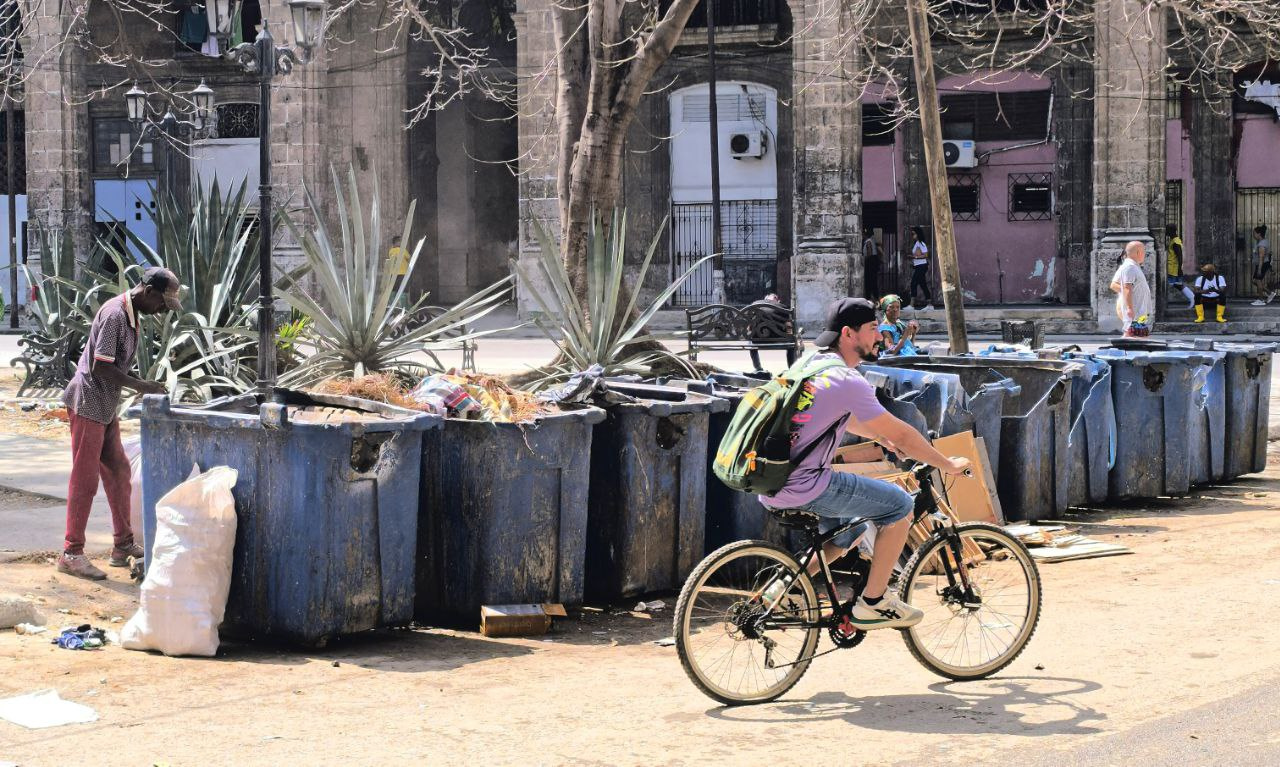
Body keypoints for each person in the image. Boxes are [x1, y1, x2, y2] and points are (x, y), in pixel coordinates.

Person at [758, 297, 970, 630]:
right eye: (872, 328)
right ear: (848, 333)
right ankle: (874, 602)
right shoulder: (847, 379)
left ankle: (782, 587)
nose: (879, 336)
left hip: (773, 481)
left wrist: (881, 437)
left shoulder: (811, 363)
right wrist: (946, 463)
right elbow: (904, 434)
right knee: (899, 505)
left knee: (853, 529)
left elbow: (843, 417)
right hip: (807, 485)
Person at [57, 267, 181, 581]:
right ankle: (71, 553)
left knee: (119, 470)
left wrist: (137, 384)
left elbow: (111, 366)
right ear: (148, 291)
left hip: (104, 404)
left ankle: (123, 544)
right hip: (89, 402)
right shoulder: (115, 314)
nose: (162, 309)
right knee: (85, 480)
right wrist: (141, 386)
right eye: (162, 302)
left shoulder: (130, 314)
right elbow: (101, 367)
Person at [1109, 241, 1154, 337]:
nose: (1145, 254)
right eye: (1144, 251)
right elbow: (1126, 287)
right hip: (1135, 310)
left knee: (1141, 336)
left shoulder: (1133, 266)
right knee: (1134, 336)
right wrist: (1129, 308)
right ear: (1138, 252)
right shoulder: (1129, 267)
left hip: (1140, 310)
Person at [746, 293, 798, 373]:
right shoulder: (783, 307)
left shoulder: (754, 305)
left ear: (765, 299)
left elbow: (749, 326)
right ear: (777, 300)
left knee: (750, 340)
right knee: (791, 342)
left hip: (756, 340)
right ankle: (791, 368)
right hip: (778, 339)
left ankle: (758, 368)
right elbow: (788, 326)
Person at [1165, 224, 1194, 310]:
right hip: (1172, 267)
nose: (1166, 232)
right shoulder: (1173, 240)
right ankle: (1192, 297)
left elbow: (1179, 256)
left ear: (1171, 231)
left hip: (1173, 268)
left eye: (1167, 230)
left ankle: (1192, 297)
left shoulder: (1175, 242)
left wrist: (1179, 268)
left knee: (1175, 284)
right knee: (1177, 284)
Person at [907, 226, 933, 311]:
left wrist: (915, 257)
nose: (912, 235)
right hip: (919, 266)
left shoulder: (921, 243)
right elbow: (918, 255)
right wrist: (914, 262)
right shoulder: (917, 243)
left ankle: (912, 305)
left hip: (922, 266)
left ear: (918, 234)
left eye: (913, 234)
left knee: (913, 283)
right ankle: (929, 304)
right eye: (912, 234)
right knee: (923, 284)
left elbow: (925, 255)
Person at [1250, 225, 1273, 306]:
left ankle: (1261, 300)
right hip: (1261, 264)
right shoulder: (1261, 242)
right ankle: (1270, 293)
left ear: (1259, 234)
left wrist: (1259, 269)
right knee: (1254, 280)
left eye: (1254, 233)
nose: (1253, 235)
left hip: (1262, 264)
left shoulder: (1262, 244)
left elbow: (1261, 257)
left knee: (1258, 281)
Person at [862, 227, 882, 300]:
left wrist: (864, 260)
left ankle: (871, 297)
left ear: (865, 234)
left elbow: (869, 253)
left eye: (863, 234)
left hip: (870, 262)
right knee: (873, 280)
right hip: (873, 261)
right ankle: (874, 296)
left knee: (870, 280)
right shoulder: (872, 241)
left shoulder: (868, 242)